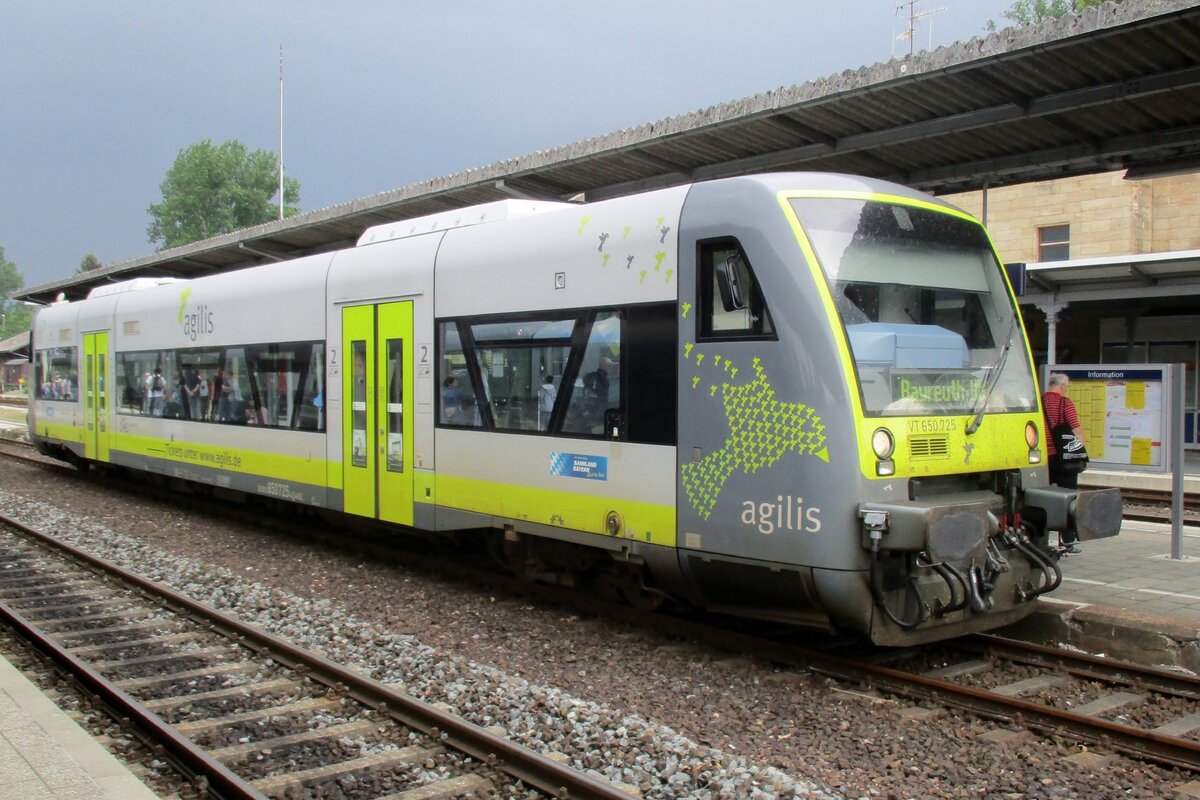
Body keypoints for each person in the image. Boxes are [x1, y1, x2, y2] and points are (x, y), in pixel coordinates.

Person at [1043, 372, 1086, 554]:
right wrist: (1081, 452)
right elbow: (1076, 429)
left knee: (1044, 496)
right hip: (1064, 459)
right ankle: (1067, 542)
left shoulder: (1038, 401)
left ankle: (1040, 539)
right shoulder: (1064, 403)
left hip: (1043, 460)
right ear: (1061, 386)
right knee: (1068, 497)